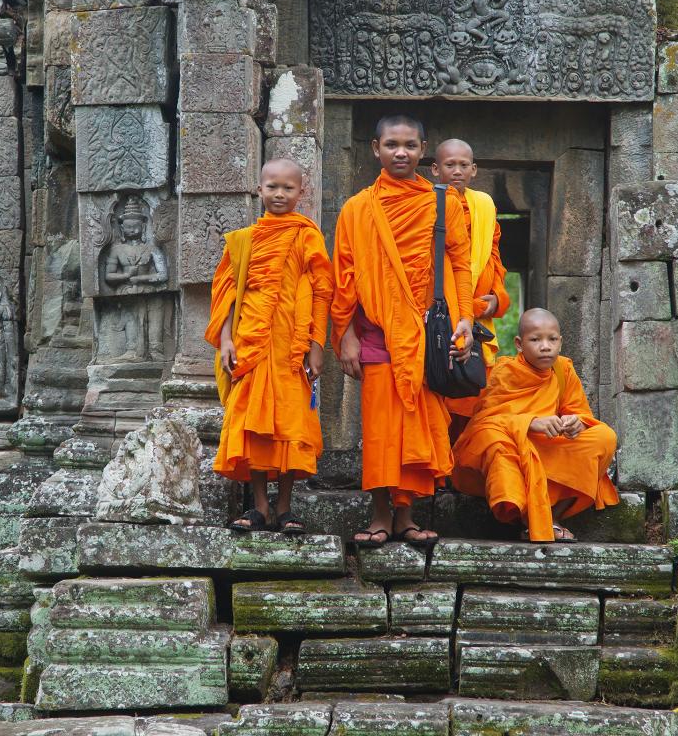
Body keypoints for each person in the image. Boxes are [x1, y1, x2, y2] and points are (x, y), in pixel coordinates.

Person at [332, 114, 475, 548]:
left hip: (428, 334)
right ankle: (379, 513)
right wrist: (344, 336)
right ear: (375, 149)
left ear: (423, 149)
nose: (401, 152)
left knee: (418, 422)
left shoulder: (442, 202)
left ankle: (407, 515)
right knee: (379, 428)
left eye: (410, 145)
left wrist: (465, 317)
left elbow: (461, 263)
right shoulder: (357, 208)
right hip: (375, 331)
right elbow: (344, 275)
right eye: (392, 144)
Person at [206, 158, 333, 535]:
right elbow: (227, 295)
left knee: (291, 426)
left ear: (301, 192)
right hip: (251, 347)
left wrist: (317, 344)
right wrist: (226, 339)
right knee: (254, 426)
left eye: (288, 188)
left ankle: (285, 507)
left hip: (291, 349)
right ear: (258, 189)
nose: (279, 194)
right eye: (272, 187)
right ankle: (259, 507)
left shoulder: (306, 235)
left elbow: (323, 292)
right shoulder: (243, 240)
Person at [451, 308, 619, 543]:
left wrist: (575, 423)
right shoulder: (505, 372)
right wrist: (530, 423)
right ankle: (531, 519)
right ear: (519, 344)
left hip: (546, 447)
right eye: (535, 339)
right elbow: (484, 421)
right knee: (491, 439)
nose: (545, 346)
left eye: (552, 339)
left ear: (560, 342)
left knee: (604, 436)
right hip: (515, 447)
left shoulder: (563, 369)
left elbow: (579, 412)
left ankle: (550, 517)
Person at [430, 139, 510, 439]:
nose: (457, 171)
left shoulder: (485, 206)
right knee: (437, 391)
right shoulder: (427, 203)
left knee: (470, 390)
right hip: (439, 311)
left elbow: (494, 260)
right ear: (436, 169)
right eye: (450, 165)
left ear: (474, 169)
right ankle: (438, 472)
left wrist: (497, 300)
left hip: (476, 316)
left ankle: (460, 469)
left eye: (464, 165)